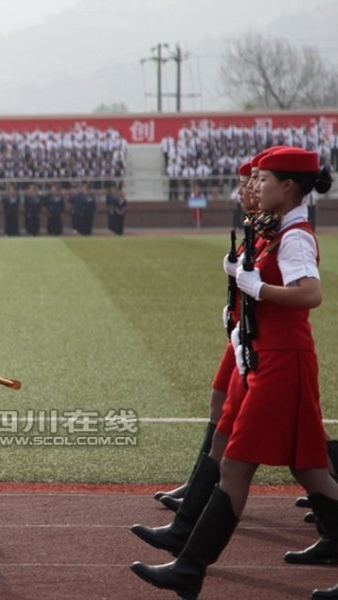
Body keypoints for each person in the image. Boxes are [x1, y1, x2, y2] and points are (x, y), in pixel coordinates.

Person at [131, 147, 337, 600]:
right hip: (268, 358)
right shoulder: (281, 228)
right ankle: (187, 565)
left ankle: (188, 569)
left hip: (284, 361)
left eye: (263, 179)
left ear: (288, 186)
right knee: (311, 472)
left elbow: (311, 296)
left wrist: (257, 287)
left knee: (239, 466)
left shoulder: (296, 236)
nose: (254, 187)